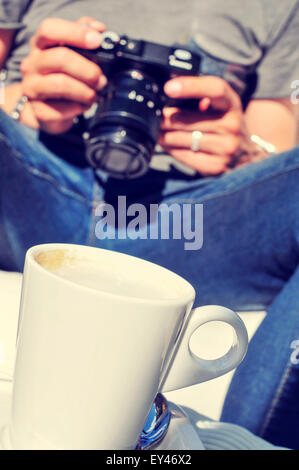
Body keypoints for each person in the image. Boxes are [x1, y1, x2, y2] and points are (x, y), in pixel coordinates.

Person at [0, 0, 298, 449]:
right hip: (36, 179)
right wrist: (22, 99)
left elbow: (275, 150)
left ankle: (244, 441)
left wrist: (237, 147)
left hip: (190, 217)